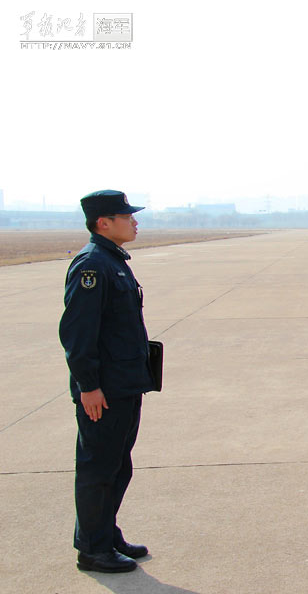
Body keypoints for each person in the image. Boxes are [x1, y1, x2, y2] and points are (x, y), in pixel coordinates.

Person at [58, 190, 155, 574]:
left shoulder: (112, 260)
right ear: (103, 223)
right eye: (126, 216)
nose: (134, 221)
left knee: (116, 466)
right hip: (104, 389)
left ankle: (103, 533)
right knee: (98, 467)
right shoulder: (92, 265)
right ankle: (93, 550)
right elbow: (78, 333)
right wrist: (88, 386)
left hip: (124, 383)